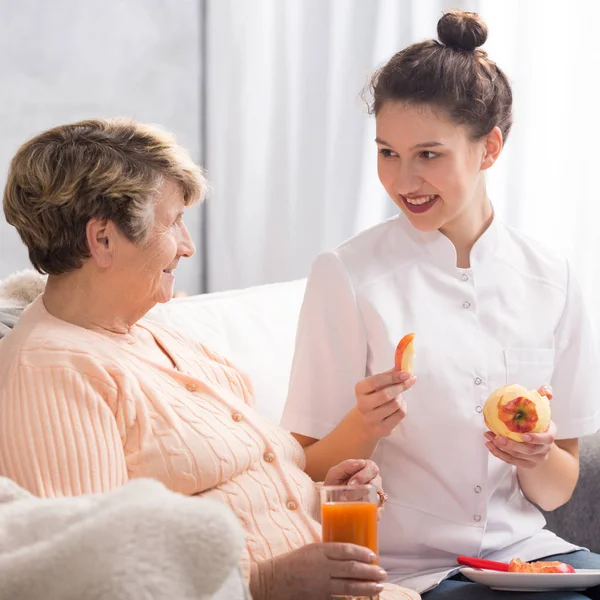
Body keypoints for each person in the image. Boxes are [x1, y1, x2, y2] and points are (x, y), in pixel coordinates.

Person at [0, 119, 419, 600]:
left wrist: (325, 493)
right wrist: (264, 583)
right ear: (103, 239)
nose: (187, 245)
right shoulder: (51, 372)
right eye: (173, 221)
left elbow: (249, 486)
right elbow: (92, 580)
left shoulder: (158, 335)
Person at [281, 9, 600, 599]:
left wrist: (534, 454)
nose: (403, 179)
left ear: (490, 148)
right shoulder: (347, 275)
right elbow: (306, 471)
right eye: (387, 152)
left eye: (428, 154)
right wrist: (362, 424)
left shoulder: (550, 277)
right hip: (411, 569)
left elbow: (557, 491)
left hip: (527, 552)